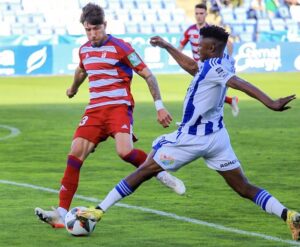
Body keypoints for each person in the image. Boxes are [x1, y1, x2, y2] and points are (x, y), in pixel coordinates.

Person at [76, 25, 299, 241]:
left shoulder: (215, 68)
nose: (197, 48)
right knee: (243, 186)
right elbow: (193, 67)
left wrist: (270, 102)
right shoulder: (222, 60)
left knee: (145, 170)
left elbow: (237, 82)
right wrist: (167, 46)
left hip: (192, 138)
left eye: (200, 46)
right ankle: (289, 215)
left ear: (211, 49)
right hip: (217, 137)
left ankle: (98, 211)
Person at [34, 3, 186, 229]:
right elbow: (82, 69)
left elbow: (148, 75)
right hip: (95, 110)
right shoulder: (84, 50)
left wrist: (160, 106)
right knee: (75, 153)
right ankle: (61, 213)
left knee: (125, 152)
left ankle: (161, 173)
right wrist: (73, 88)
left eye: (96, 29)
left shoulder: (122, 47)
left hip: (118, 107)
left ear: (105, 25)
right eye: (88, 30)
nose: (92, 34)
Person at [178, 3, 239, 117]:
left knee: (198, 92)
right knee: (203, 91)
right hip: (197, 66)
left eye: (201, 13)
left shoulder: (210, 31)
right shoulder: (189, 31)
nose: (199, 16)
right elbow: (179, 48)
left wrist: (227, 59)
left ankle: (194, 120)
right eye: (196, 13)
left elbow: (229, 43)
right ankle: (230, 101)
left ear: (206, 14)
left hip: (209, 66)